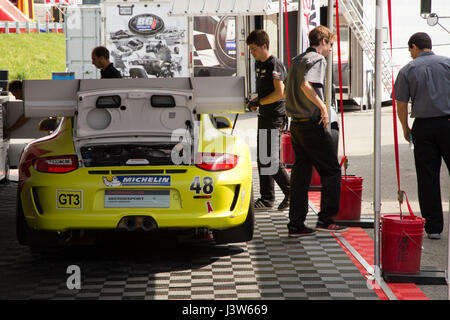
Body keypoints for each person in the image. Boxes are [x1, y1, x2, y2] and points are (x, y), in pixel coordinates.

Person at [284, 25, 348, 237]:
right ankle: (326, 219)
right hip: (311, 122)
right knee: (331, 170)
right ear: (322, 42)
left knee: (301, 175)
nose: (330, 49)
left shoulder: (295, 60)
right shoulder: (318, 59)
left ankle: (296, 225)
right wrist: (322, 107)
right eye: (330, 44)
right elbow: (306, 85)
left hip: (296, 124)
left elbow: (290, 88)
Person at [394, 32, 450, 240]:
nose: (410, 54)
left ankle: (434, 228)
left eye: (410, 50)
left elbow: (401, 104)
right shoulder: (447, 64)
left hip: (424, 127)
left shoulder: (408, 70)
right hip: (448, 122)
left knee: (428, 177)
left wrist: (405, 128)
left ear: (414, 46)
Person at [246, 30, 290, 211]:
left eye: (254, 49)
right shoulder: (259, 63)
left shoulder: (274, 65)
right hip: (264, 114)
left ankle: (291, 192)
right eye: (250, 49)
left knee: (270, 159)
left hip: (274, 116)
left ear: (264, 46)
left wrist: (260, 102)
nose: (252, 52)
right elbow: (264, 90)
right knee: (262, 158)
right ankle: (267, 198)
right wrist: (256, 100)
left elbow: (280, 93)